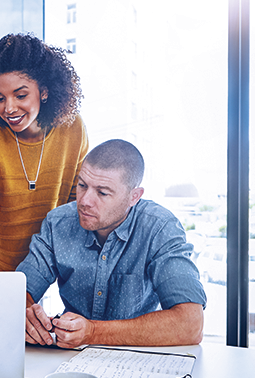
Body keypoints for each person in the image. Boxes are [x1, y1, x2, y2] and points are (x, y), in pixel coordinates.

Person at [17, 139, 207, 348]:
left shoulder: (159, 228)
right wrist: (26, 315)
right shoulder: (58, 223)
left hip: (137, 358)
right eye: (82, 185)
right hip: (69, 358)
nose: (84, 201)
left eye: (102, 192)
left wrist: (92, 332)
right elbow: (17, 290)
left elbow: (191, 324)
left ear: (134, 196)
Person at [0, 32, 89, 272]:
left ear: (44, 91)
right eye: (0, 98)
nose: (9, 108)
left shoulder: (73, 129)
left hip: (42, 267)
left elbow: (76, 199)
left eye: (20, 95)